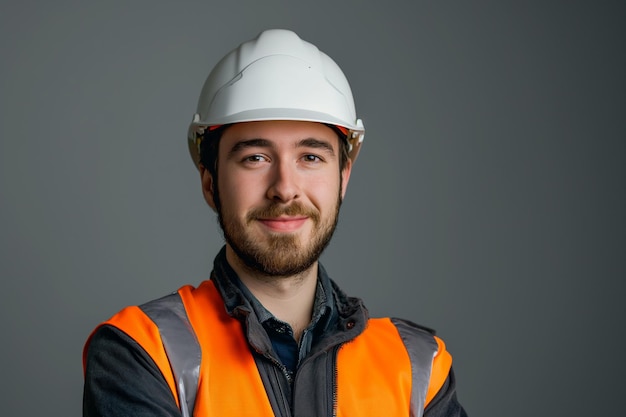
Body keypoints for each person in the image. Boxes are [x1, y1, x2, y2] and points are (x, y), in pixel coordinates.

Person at [82, 28, 468, 417]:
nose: (285, 189)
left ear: (343, 178)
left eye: (310, 157)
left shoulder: (419, 368)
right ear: (210, 182)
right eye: (255, 158)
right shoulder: (144, 350)